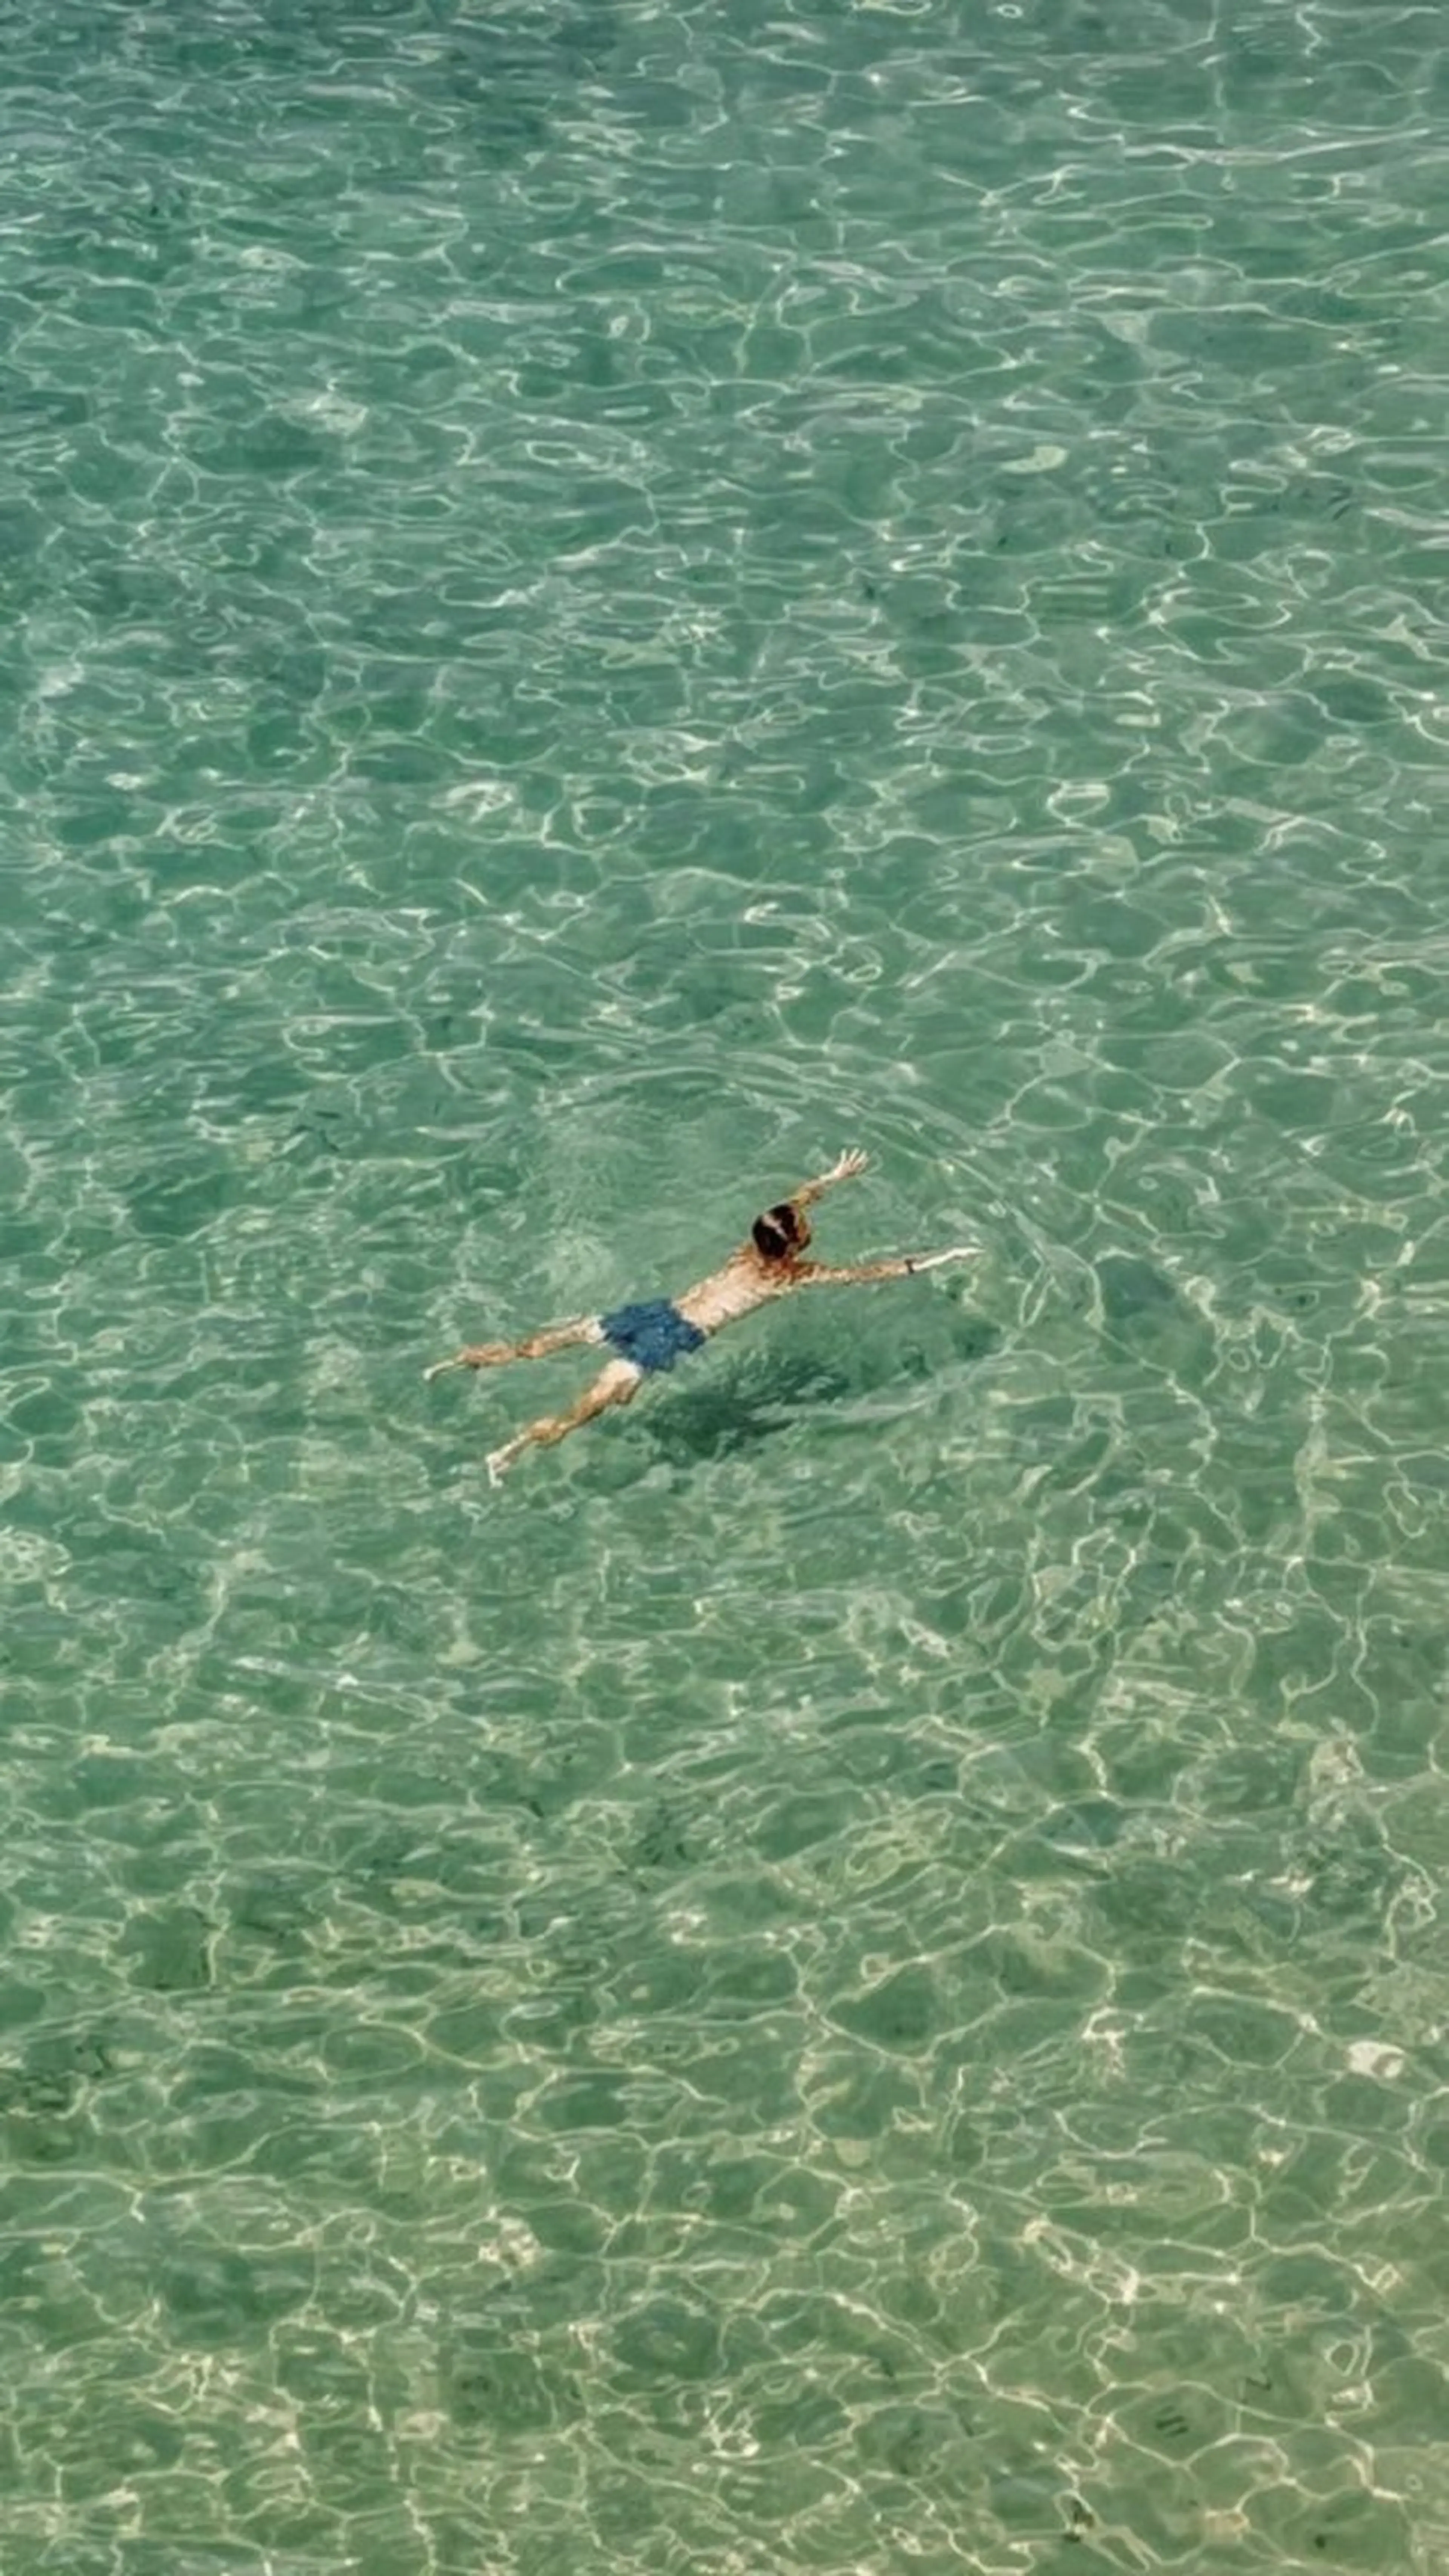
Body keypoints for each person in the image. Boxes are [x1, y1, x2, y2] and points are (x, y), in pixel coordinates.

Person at [425, 1149, 976, 1482]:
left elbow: (794, 1202)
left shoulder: (751, 1247)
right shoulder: (791, 1275)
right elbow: (869, 1273)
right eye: (805, 1233)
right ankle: (510, 1452)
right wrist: (939, 1258)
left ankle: (454, 1363)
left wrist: (833, 1178)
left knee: (540, 1344)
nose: (808, 1229)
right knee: (584, 1410)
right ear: (791, 1248)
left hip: (652, 1313)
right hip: (670, 1338)